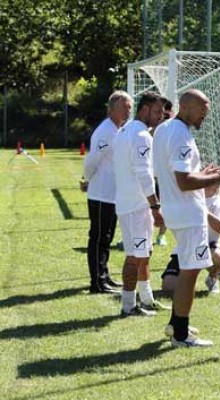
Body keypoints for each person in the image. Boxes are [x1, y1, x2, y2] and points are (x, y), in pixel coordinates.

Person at [153, 88, 220, 347]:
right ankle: (181, 335)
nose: (205, 114)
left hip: (177, 211)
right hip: (188, 213)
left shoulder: (163, 129)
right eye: (202, 109)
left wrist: (200, 172)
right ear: (185, 106)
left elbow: (177, 173)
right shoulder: (180, 133)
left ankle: (176, 325)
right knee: (190, 272)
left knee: (189, 269)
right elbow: (184, 182)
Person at [112, 91, 168, 316]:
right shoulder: (141, 135)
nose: (159, 117)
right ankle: (128, 305)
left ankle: (146, 298)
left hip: (129, 203)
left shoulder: (124, 130)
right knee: (135, 257)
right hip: (137, 207)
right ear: (144, 109)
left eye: (162, 113)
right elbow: (144, 174)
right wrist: (155, 207)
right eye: (156, 112)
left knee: (143, 253)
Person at [84, 91, 133, 294]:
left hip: (112, 195)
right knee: (99, 238)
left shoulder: (117, 129)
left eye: (130, 107)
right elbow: (93, 159)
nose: (128, 111)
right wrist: (87, 179)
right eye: (125, 107)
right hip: (101, 194)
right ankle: (97, 282)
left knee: (107, 238)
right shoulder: (105, 131)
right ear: (112, 108)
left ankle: (104, 276)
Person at [160, 181, 220, 294]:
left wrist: (203, 210)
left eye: (216, 182)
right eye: (209, 180)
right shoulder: (189, 198)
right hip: (186, 246)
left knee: (217, 255)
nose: (212, 184)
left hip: (208, 246)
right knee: (168, 286)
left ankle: (213, 277)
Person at [154, 97, 176, 247]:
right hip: (150, 176)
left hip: (165, 176)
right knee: (143, 206)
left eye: (166, 116)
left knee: (166, 207)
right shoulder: (149, 131)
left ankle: (161, 235)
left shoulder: (174, 130)